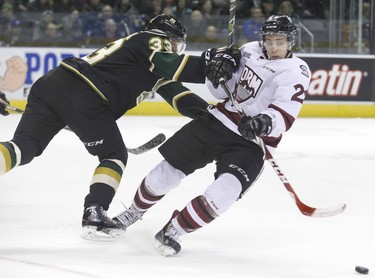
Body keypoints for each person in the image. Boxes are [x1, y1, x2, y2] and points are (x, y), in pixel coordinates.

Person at [0, 14, 239, 240]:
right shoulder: (151, 40)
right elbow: (173, 64)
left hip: (52, 85)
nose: (175, 49)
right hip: (86, 93)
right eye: (176, 44)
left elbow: (181, 97)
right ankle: (95, 212)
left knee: (24, 147)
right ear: (169, 38)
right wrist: (210, 61)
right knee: (114, 155)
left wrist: (211, 114)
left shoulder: (151, 64)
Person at [112, 15, 311, 256]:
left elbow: (286, 114)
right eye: (269, 41)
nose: (273, 47)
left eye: (280, 41)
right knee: (166, 172)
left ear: (291, 42)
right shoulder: (248, 51)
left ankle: (173, 231)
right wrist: (219, 71)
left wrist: (263, 122)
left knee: (224, 193)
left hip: (251, 143)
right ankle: (134, 211)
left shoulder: (296, 71)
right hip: (218, 122)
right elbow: (218, 92)